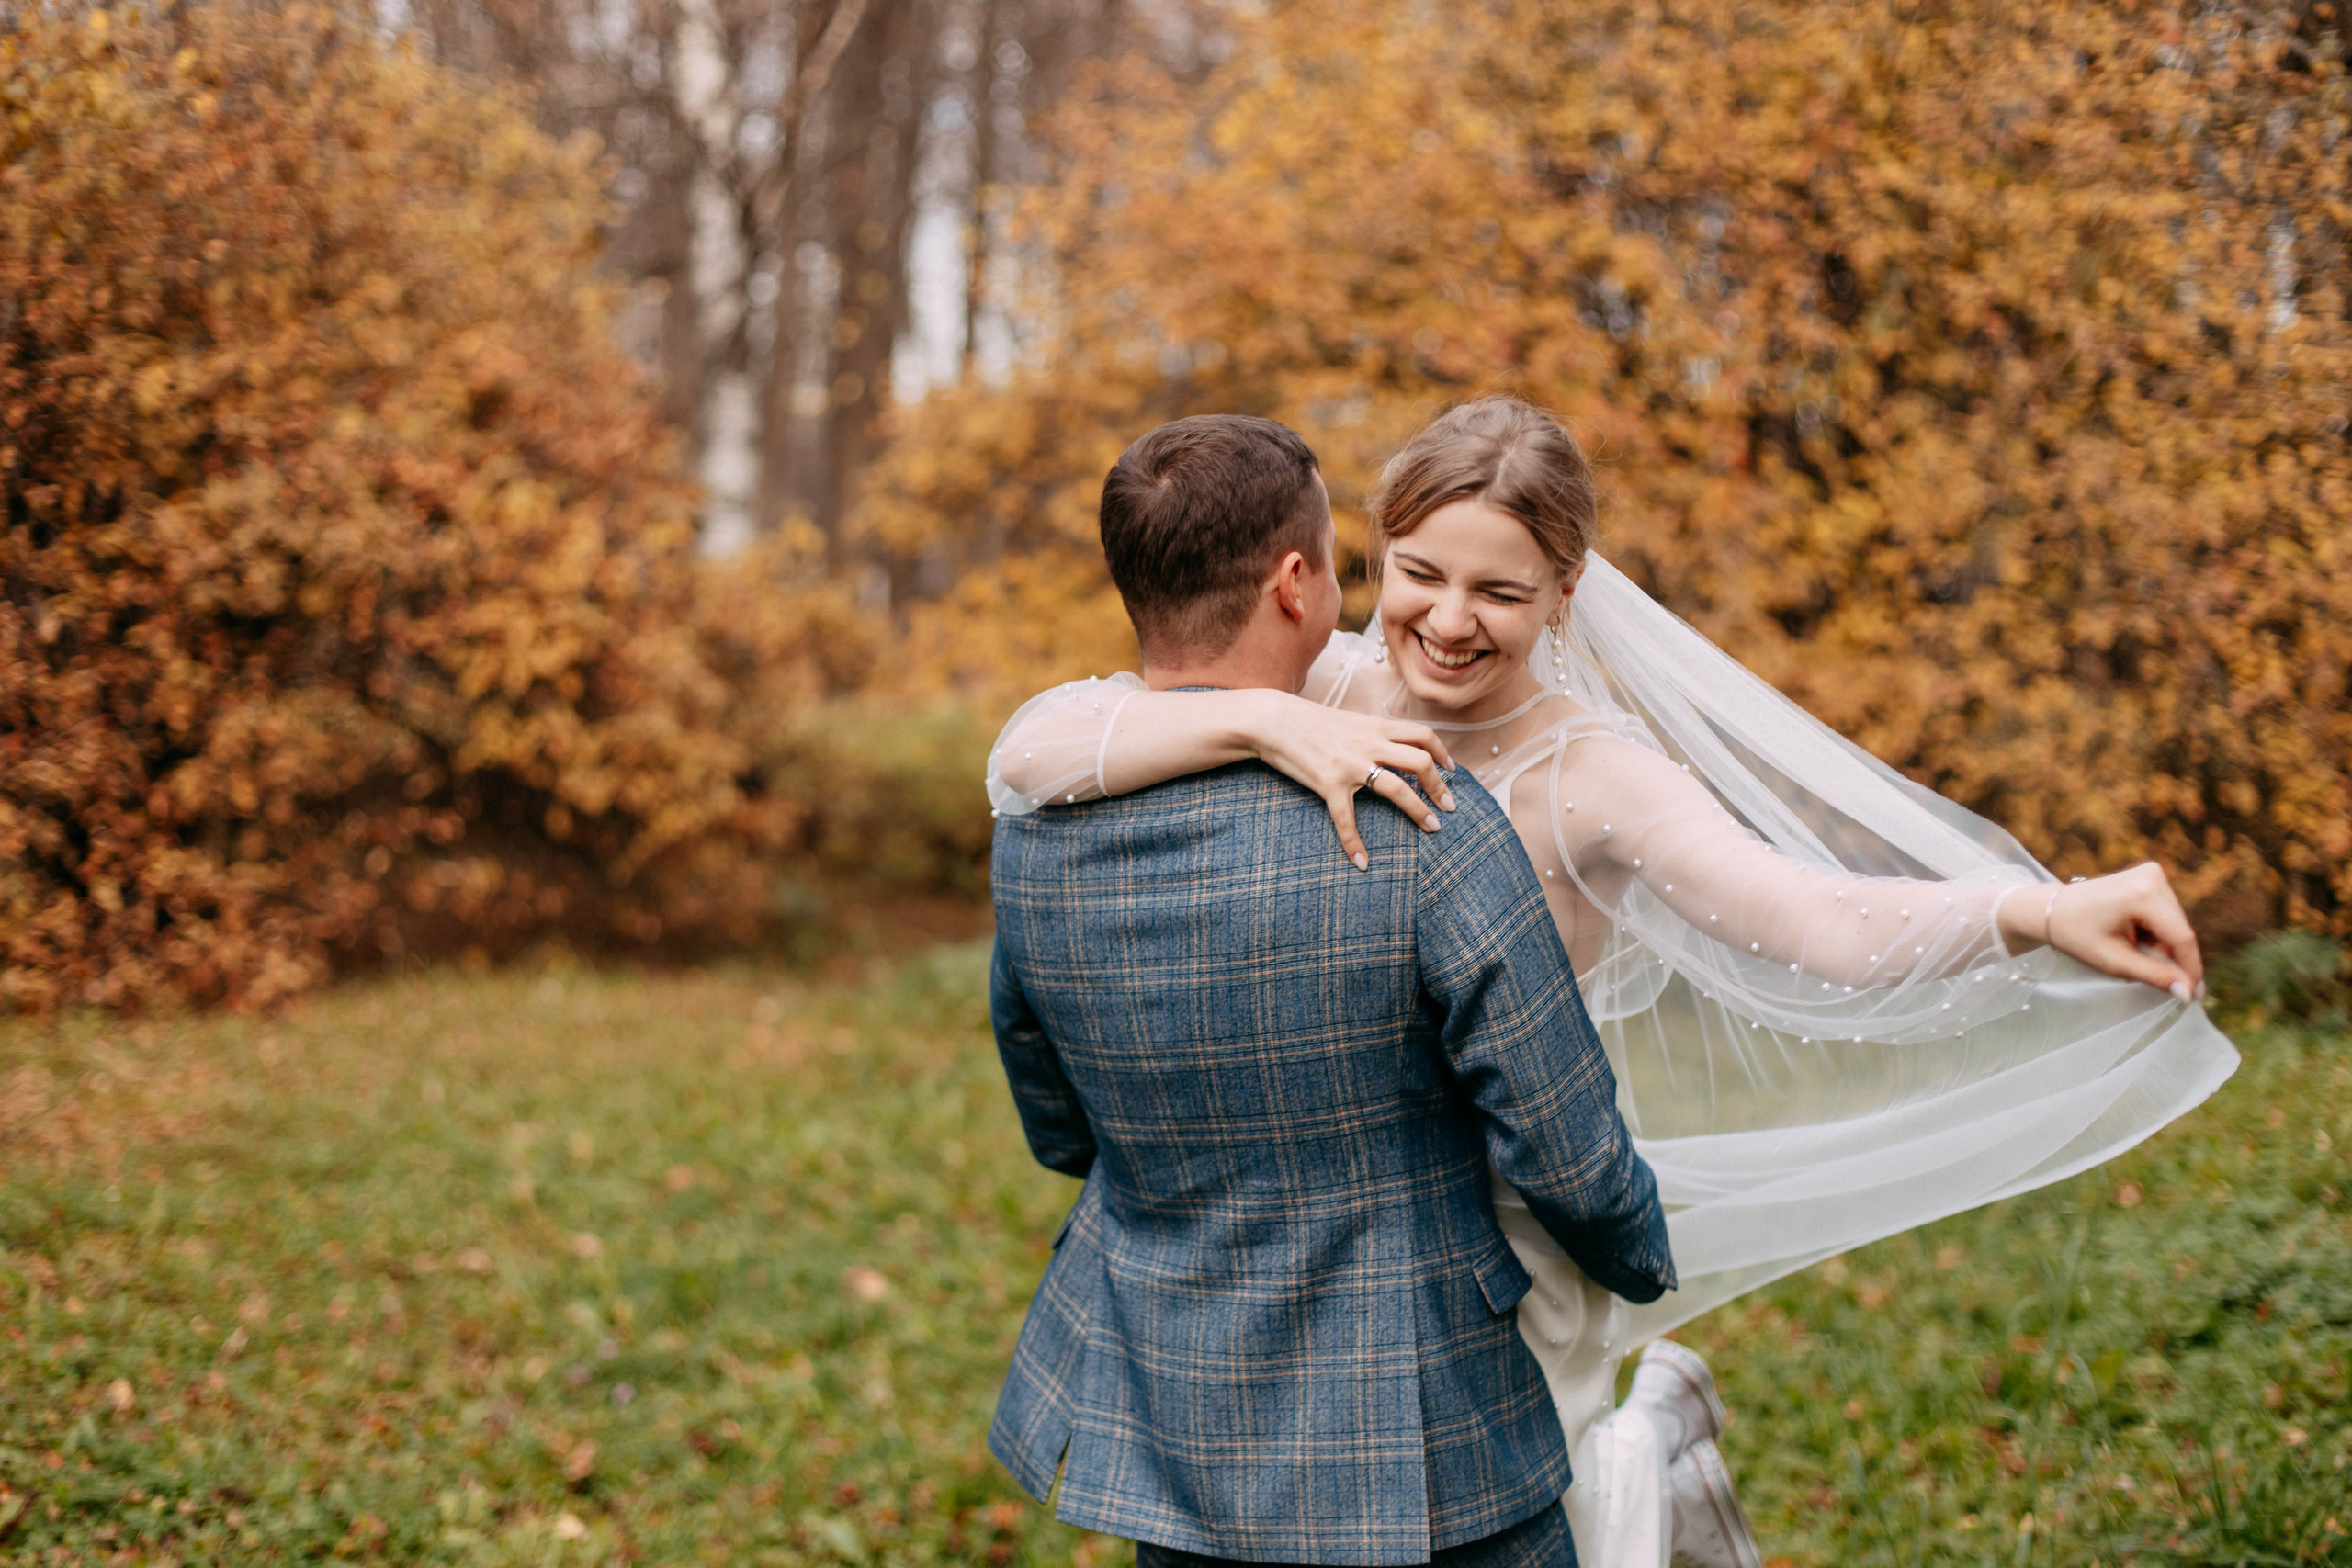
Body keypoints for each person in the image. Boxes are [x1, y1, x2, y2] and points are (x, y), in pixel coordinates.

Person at [989, 396, 2241, 1567]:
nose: (1447, 620)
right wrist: (1266, 725)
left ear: (1566, 592)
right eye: (1420, 574)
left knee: (1537, 1504)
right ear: (1364, 560)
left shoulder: (1588, 774)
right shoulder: (1325, 682)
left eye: (1500, 590)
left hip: (1510, 1219)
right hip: (1335, 1194)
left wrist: (2040, 907)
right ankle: (1652, 1453)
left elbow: (1816, 922)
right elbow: (1037, 749)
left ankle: (1643, 1454)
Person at [988, 412, 1675, 1568]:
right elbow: (1565, 1147)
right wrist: (1639, 1258)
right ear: (1295, 583)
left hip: (1178, 1427)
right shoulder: (1423, 819)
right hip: (1427, 1433)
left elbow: (1054, 1114)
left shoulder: (1035, 833)